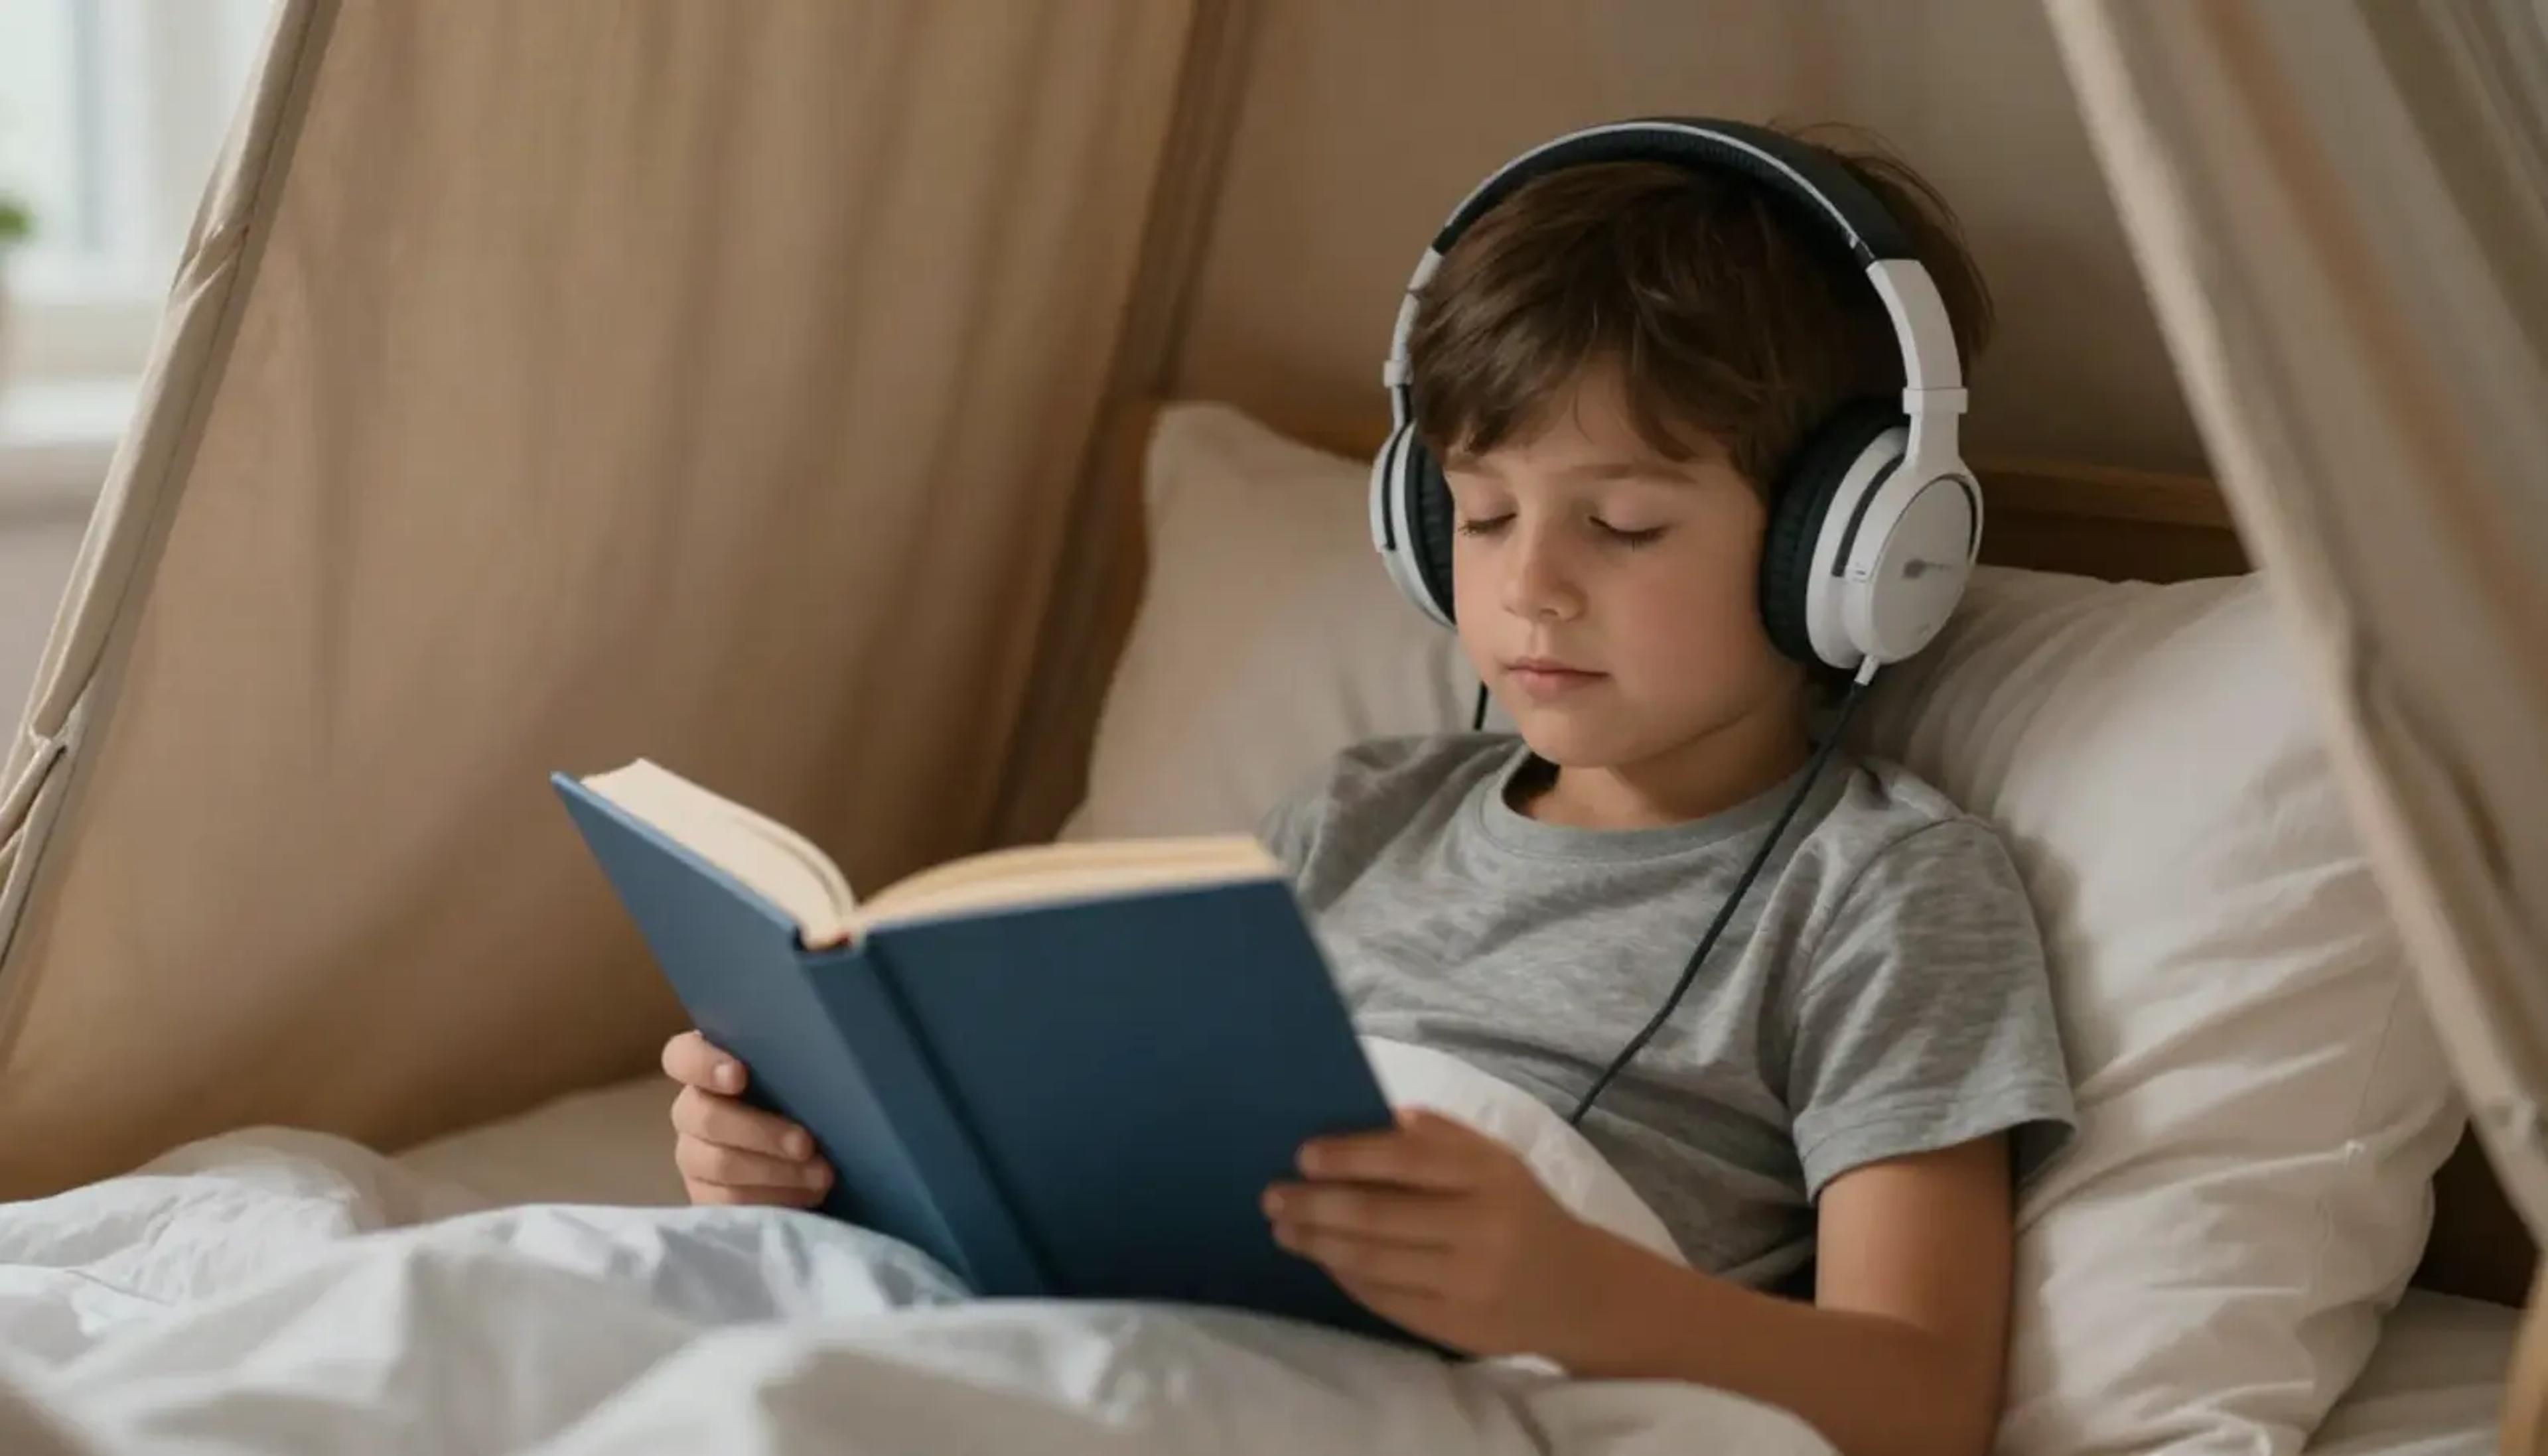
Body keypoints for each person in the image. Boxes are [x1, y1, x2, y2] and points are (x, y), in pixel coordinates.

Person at [657, 119, 2074, 1456]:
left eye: (1625, 524)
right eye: (1483, 512)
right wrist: (817, 1163)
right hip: (1131, 1324)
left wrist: (1578, 1297)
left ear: (1854, 549)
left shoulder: (1884, 889)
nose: (1530, 587)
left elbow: (1925, 1397)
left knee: (768, 1410)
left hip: (1413, 1392)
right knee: (530, 1300)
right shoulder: (1361, 810)